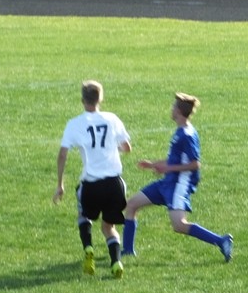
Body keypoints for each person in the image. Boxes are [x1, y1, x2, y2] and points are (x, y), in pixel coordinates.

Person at [122, 92, 233, 263]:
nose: (171, 109)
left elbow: (195, 164)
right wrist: (153, 164)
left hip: (179, 185)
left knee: (179, 225)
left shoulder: (187, 135)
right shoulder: (180, 131)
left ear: (179, 111)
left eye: (174, 106)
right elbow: (176, 159)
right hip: (167, 182)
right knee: (131, 205)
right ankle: (128, 251)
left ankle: (221, 241)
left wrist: (168, 168)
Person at [54, 81, 132, 279]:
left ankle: (88, 247)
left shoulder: (74, 124)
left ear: (82, 100)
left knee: (83, 215)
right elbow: (126, 148)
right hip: (114, 184)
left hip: (91, 184)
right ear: (100, 99)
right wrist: (113, 147)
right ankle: (116, 262)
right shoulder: (112, 119)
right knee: (109, 227)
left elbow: (62, 154)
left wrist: (60, 184)